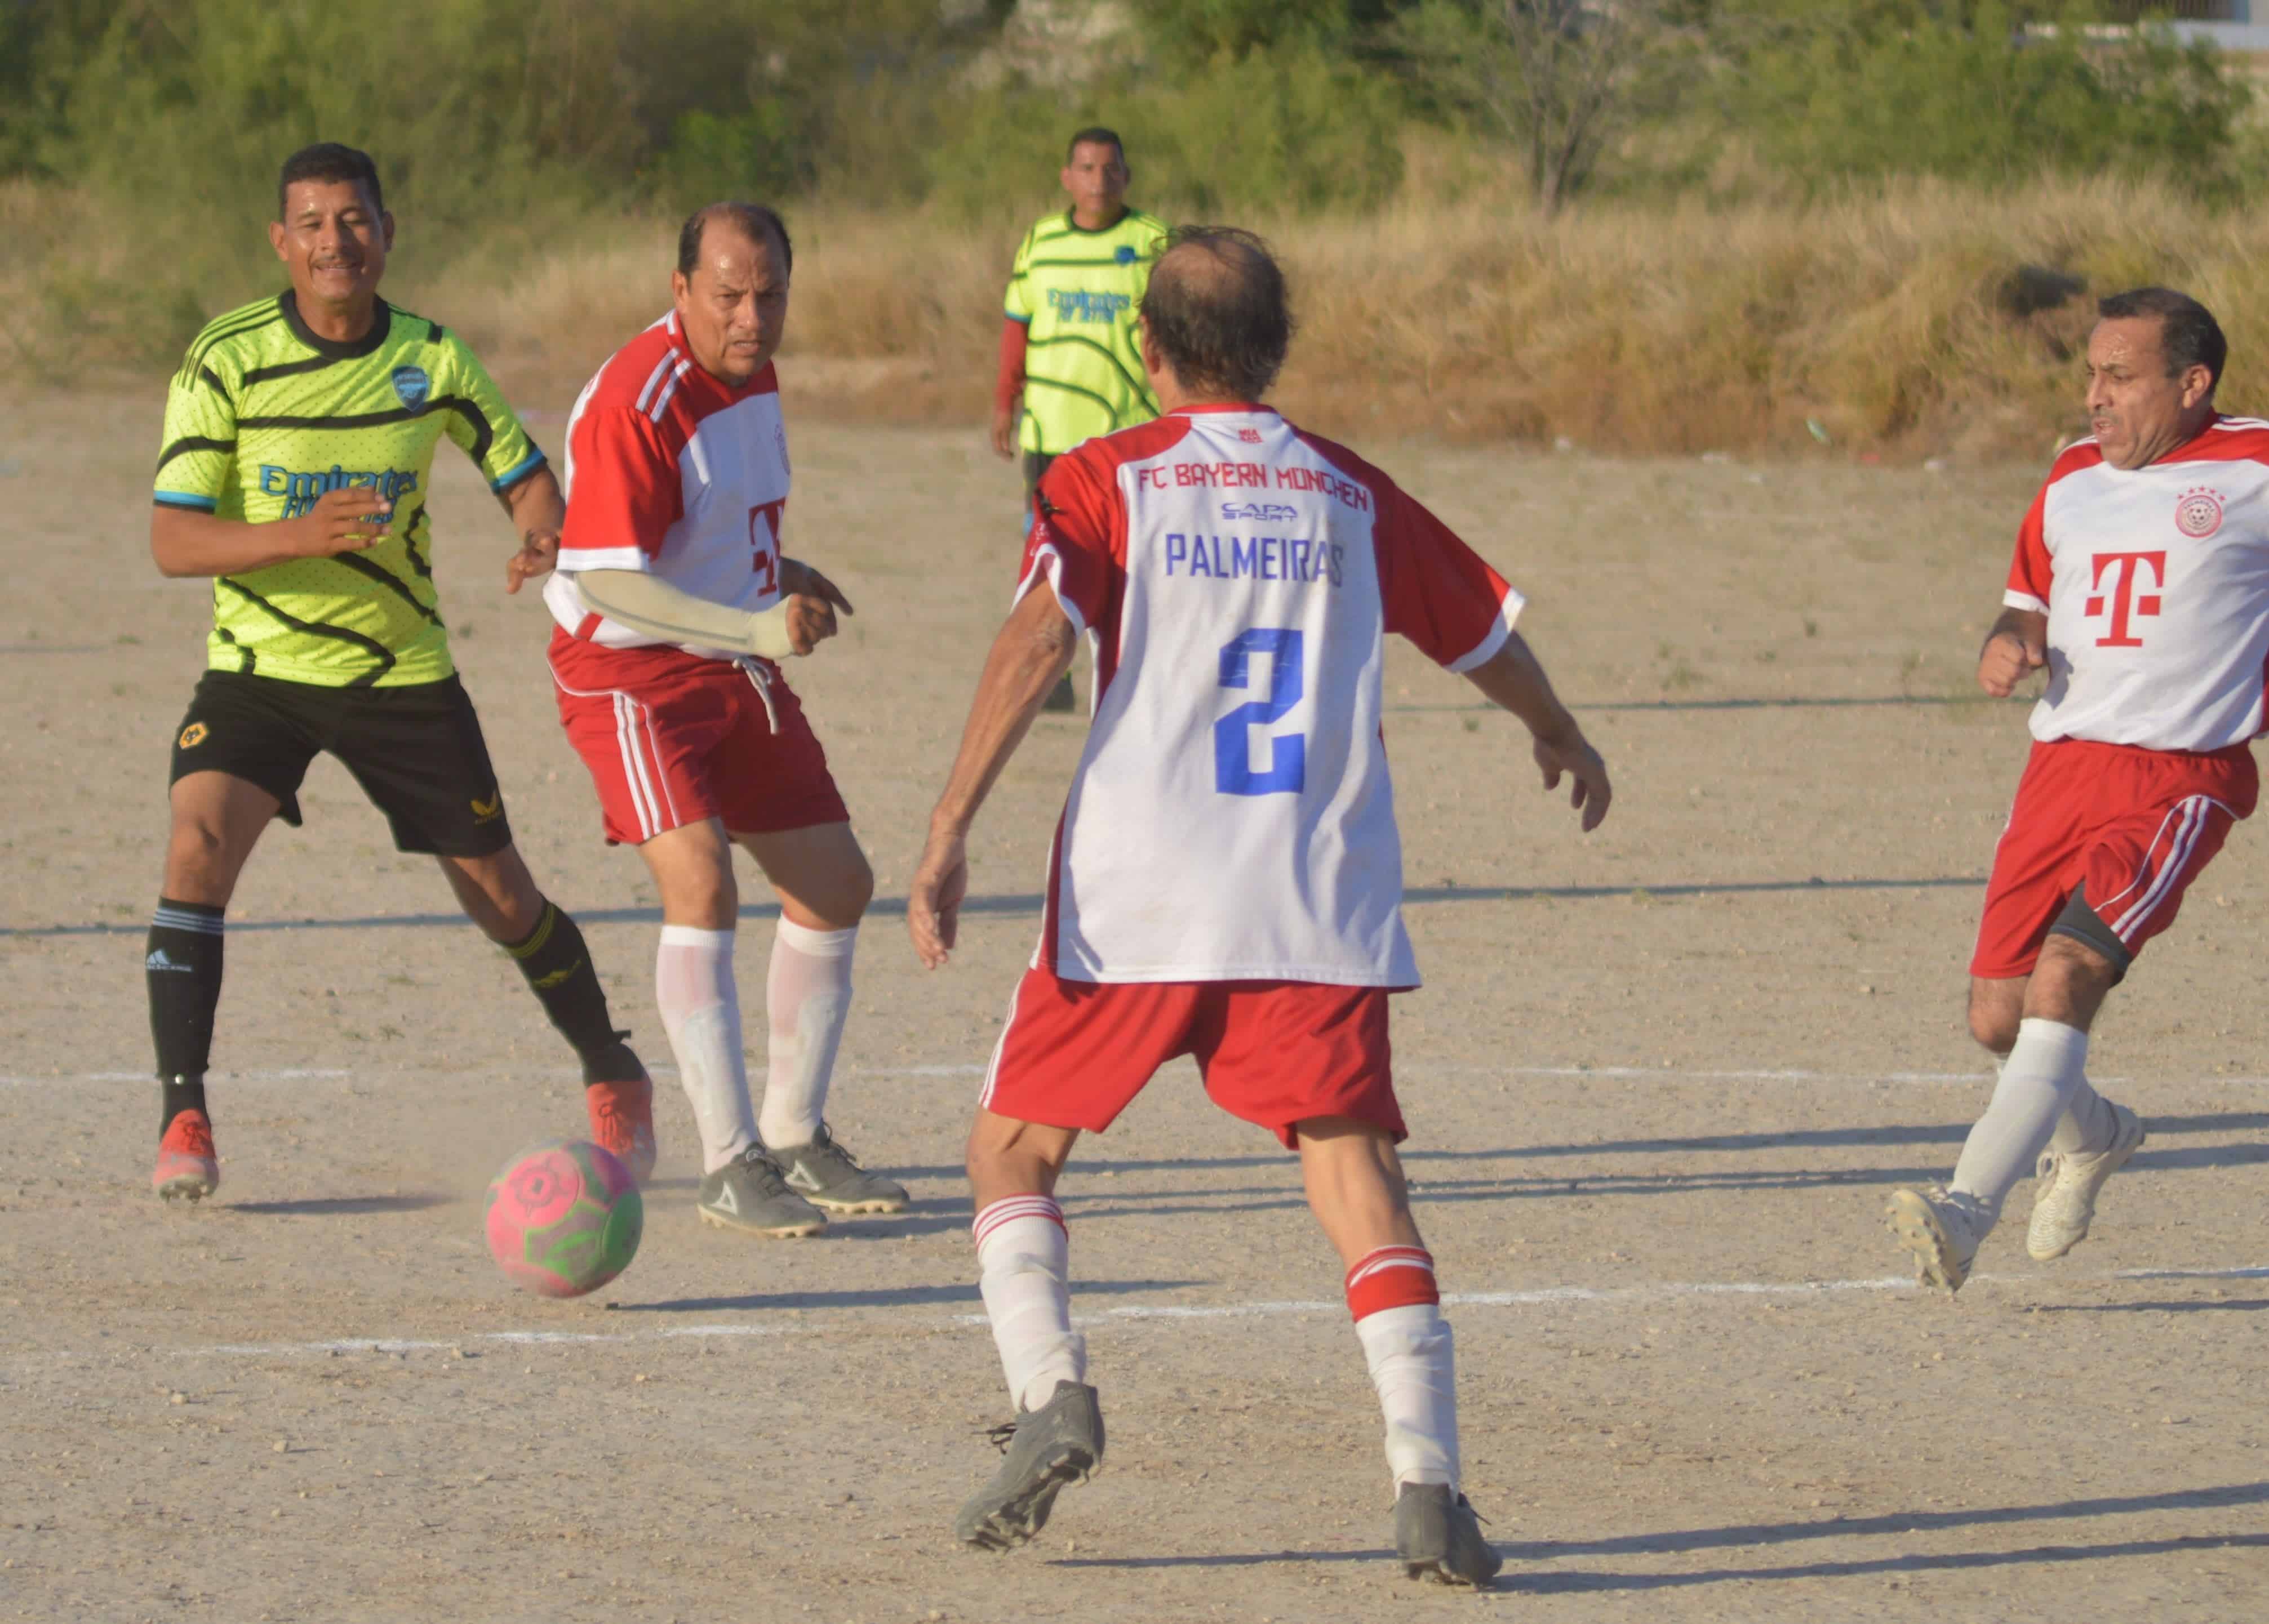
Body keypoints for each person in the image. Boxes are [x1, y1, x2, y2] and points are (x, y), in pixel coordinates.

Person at [911, 228, 1612, 1583]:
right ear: (1281, 344)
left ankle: (1053, 1388)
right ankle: (1429, 1483)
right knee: (1356, 1178)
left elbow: (1041, 633)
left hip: (1137, 894)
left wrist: (947, 825)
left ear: (1144, 348)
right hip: (1314, 896)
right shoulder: (1353, 493)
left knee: (1011, 1153)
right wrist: (1560, 729)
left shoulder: (1104, 478)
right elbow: (1483, 633)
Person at [145, 143, 654, 1205]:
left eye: (356, 220)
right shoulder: (225, 357)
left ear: (388, 230)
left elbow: (520, 472)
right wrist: (298, 534)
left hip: (401, 673)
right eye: (315, 224)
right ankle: (183, 1112)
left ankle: (610, 1062)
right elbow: (173, 539)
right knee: (194, 845)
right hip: (259, 670)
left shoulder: (433, 357)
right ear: (282, 242)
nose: (338, 242)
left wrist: (538, 533)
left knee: (501, 894)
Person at [1886, 288, 2269, 1291]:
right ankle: (2095, 1134)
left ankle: (1964, 1208)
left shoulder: (2255, 463)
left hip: (2179, 776)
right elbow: (2025, 601)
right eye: (2091, 373)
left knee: (2065, 975)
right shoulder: (2068, 474)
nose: (2094, 396)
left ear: (2191, 385)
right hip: (2060, 767)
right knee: (1998, 1017)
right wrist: (2008, 637)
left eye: (2119, 376)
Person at [541, 202, 907, 1240]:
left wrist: (776, 574)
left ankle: (793, 1135)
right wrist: (754, 620)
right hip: (628, 672)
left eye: (770, 294)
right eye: (729, 295)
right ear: (680, 289)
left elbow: (703, 524)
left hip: (727, 650)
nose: (752, 316)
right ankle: (727, 1160)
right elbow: (609, 583)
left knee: (836, 883)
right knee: (700, 876)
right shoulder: (636, 398)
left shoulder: (754, 373)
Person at [991, 127, 1167, 711]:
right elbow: (1018, 328)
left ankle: (1136, 670)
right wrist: (1003, 402)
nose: (1099, 181)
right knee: (1051, 553)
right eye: (1087, 169)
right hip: (1051, 430)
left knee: (1137, 556)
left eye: (1110, 169)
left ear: (1127, 176)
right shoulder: (1040, 243)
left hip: (1129, 432)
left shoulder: (1152, 243)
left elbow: (1176, 334)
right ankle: (1051, 676)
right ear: (1067, 178)